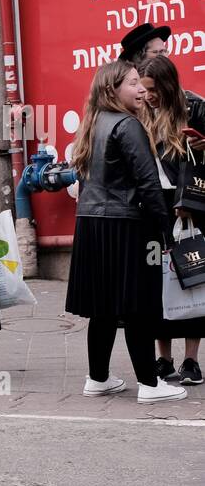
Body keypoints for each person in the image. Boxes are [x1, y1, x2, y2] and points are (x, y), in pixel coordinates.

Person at [65, 59, 184, 404]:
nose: (141, 90)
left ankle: (98, 378)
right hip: (128, 225)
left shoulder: (93, 123)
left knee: (103, 306)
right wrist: (166, 230)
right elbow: (148, 183)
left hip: (91, 226)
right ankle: (150, 383)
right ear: (111, 89)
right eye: (133, 83)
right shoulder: (128, 125)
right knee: (139, 305)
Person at [138, 54, 205, 385]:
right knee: (157, 281)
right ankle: (163, 358)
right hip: (154, 205)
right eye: (144, 89)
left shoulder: (193, 107)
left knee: (192, 276)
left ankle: (191, 361)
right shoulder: (141, 113)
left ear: (167, 83)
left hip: (189, 203)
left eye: (153, 89)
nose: (148, 95)